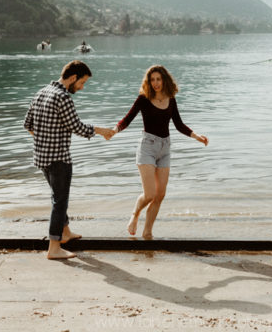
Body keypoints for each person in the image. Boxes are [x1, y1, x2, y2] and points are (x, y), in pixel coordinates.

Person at [24, 60, 114, 259]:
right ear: (73, 78)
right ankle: (54, 248)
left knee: (57, 196)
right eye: (82, 83)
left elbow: (28, 124)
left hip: (42, 157)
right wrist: (101, 131)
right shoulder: (63, 97)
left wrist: (44, 142)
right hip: (59, 159)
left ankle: (65, 232)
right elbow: (77, 127)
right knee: (60, 201)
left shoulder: (41, 92)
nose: (82, 88)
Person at [106, 65, 208, 239]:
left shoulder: (171, 98)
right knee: (150, 194)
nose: (155, 83)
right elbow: (127, 118)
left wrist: (196, 136)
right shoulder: (143, 99)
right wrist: (114, 130)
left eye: (158, 79)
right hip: (147, 147)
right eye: (152, 80)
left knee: (160, 195)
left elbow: (178, 124)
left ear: (164, 80)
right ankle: (135, 214)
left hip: (165, 148)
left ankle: (147, 232)